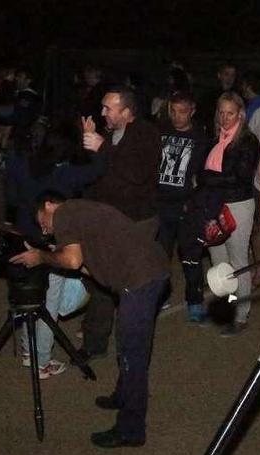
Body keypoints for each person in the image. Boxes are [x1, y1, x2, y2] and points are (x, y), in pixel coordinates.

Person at [10, 192, 169, 448]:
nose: (45, 229)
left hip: (140, 278)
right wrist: (53, 253)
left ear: (49, 205)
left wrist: (41, 257)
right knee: (127, 342)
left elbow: (72, 262)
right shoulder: (80, 212)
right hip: (148, 271)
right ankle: (123, 395)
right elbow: (85, 265)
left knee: (133, 353)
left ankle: (131, 429)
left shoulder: (64, 214)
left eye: (42, 221)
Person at [6, 118, 105, 378]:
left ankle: (30, 352)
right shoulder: (66, 173)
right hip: (52, 244)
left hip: (25, 239)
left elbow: (11, 197)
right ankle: (43, 362)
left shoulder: (22, 164)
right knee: (49, 303)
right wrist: (93, 144)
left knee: (31, 298)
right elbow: (98, 169)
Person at [79, 85, 161, 359]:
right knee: (101, 279)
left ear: (126, 112)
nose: (102, 113)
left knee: (129, 285)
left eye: (108, 109)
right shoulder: (112, 133)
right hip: (109, 220)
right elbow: (107, 173)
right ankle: (94, 343)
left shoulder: (146, 134)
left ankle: (129, 352)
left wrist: (102, 148)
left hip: (136, 222)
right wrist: (93, 143)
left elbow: (137, 174)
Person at [198, 91, 260, 336]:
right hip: (213, 204)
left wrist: (207, 177)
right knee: (218, 263)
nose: (225, 118)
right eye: (221, 112)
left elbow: (239, 177)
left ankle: (240, 315)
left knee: (237, 263)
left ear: (241, 115)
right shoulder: (214, 138)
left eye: (230, 113)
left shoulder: (248, 141)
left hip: (238, 206)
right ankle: (222, 312)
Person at [155, 92, 211, 323]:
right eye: (173, 111)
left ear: (192, 111)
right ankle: (159, 298)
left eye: (182, 112)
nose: (177, 117)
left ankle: (195, 302)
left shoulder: (201, 138)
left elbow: (206, 175)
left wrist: (196, 200)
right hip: (161, 204)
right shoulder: (161, 131)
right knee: (159, 256)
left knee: (191, 258)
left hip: (187, 207)